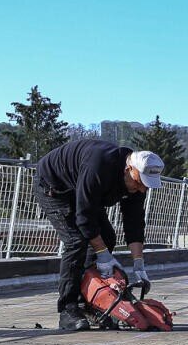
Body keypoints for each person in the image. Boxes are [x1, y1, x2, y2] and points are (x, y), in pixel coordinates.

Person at [34, 139, 163, 331]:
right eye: (139, 183)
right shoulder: (99, 166)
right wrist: (103, 255)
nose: (142, 189)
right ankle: (68, 309)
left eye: (146, 185)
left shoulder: (138, 182)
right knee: (76, 242)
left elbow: (134, 223)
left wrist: (139, 264)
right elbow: (84, 218)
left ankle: (90, 303)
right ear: (129, 169)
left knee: (107, 238)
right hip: (55, 188)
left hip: (83, 192)